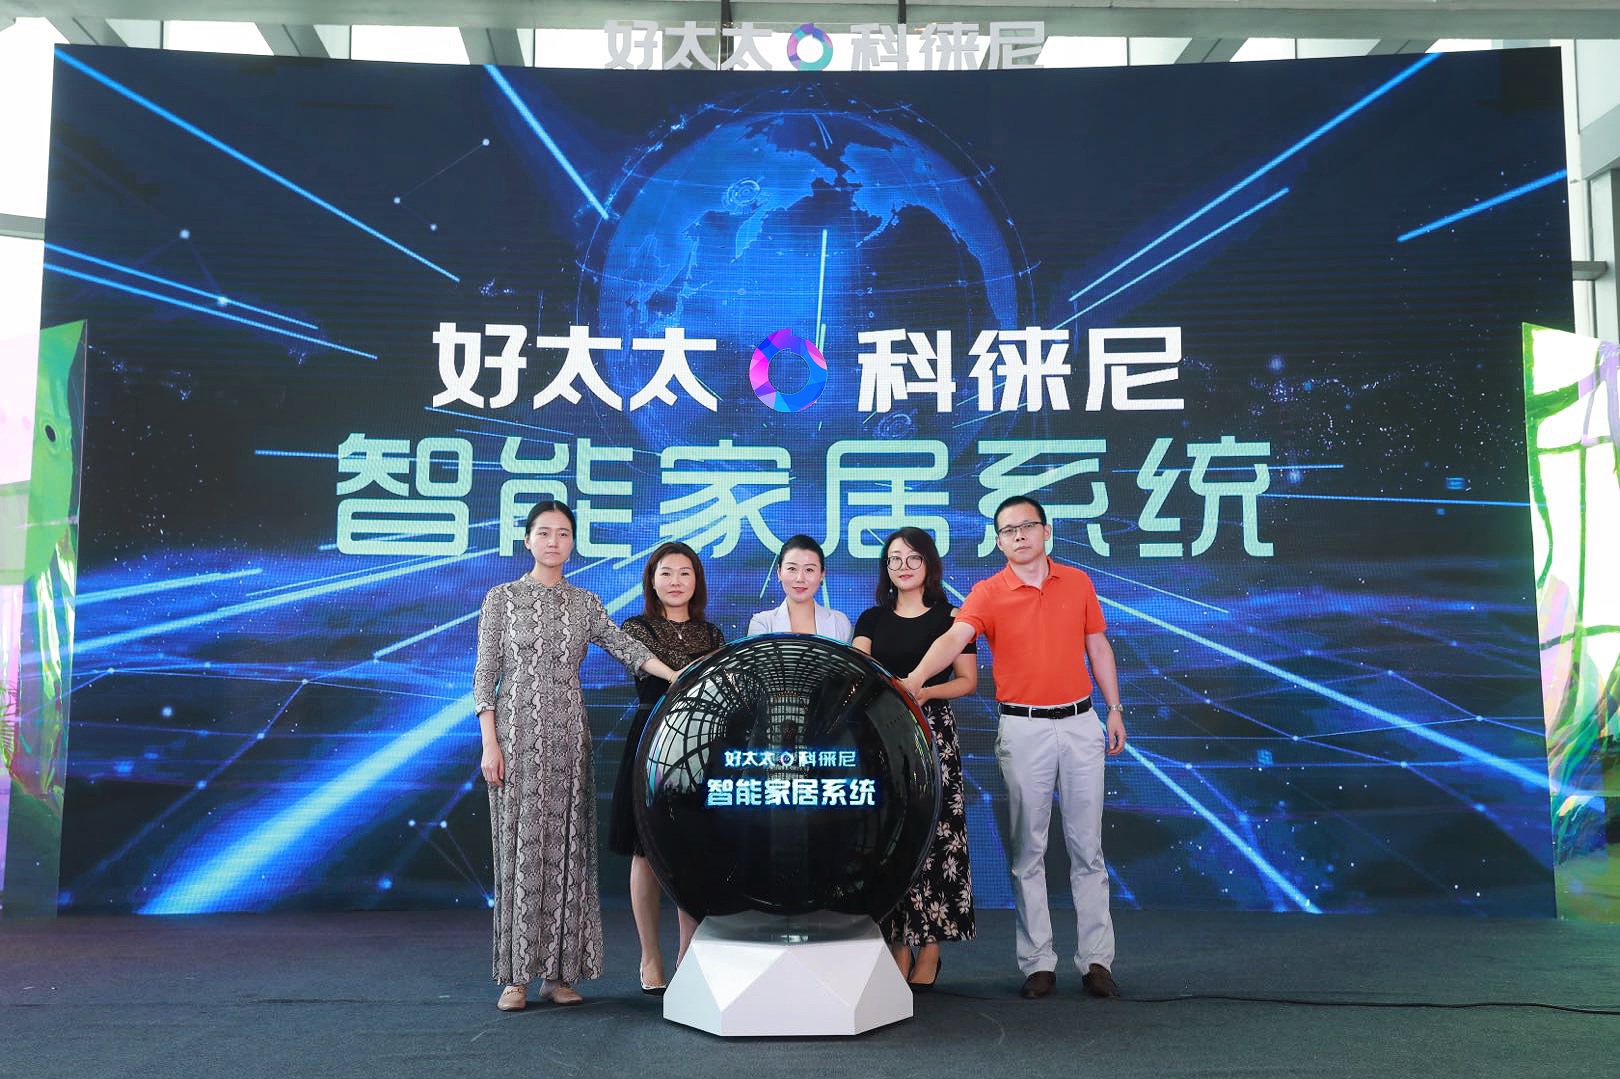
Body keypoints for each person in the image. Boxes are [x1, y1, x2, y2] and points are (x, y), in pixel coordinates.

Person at [901, 495, 1127, 1001]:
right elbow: (953, 639)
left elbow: (1097, 644)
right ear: (999, 542)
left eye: (1027, 526)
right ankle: (1038, 963)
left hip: (1081, 722)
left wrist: (1114, 708)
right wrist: (915, 680)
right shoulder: (988, 592)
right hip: (1024, 729)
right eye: (1008, 530)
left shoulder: (1078, 582)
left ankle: (1097, 961)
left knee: (1088, 849)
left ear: (1046, 532)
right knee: (1029, 849)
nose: (1019, 535)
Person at [474, 501, 683, 1011]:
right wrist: (489, 742)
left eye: (563, 533)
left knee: (569, 852)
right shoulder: (502, 599)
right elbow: (484, 674)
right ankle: (515, 978)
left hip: (569, 737)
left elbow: (627, 648)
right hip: (515, 737)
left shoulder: (584, 603)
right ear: (527, 540)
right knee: (521, 852)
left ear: (573, 542)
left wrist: (677, 675)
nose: (554, 542)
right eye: (544, 533)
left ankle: (560, 974)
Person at [851, 527, 978, 990]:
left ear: (929, 563)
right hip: (883, 734)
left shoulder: (953, 617)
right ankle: (897, 945)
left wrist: (925, 693)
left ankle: (931, 949)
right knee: (890, 838)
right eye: (894, 559)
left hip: (934, 732)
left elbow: (967, 681)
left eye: (912, 558)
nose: (902, 566)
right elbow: (859, 671)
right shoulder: (870, 619)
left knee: (938, 838)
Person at [608, 541, 725, 994]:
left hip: (699, 743)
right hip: (651, 739)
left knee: (690, 849)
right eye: (666, 573)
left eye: (685, 573)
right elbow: (644, 666)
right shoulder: (635, 628)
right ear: (652, 581)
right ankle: (650, 957)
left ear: (697, 582)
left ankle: (688, 953)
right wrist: (680, 675)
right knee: (646, 851)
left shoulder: (712, 634)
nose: (676, 582)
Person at [746, 534, 852, 642]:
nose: (800, 578)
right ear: (779, 572)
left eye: (809, 570)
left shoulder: (839, 622)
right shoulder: (762, 623)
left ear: (822, 574)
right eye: (792, 569)